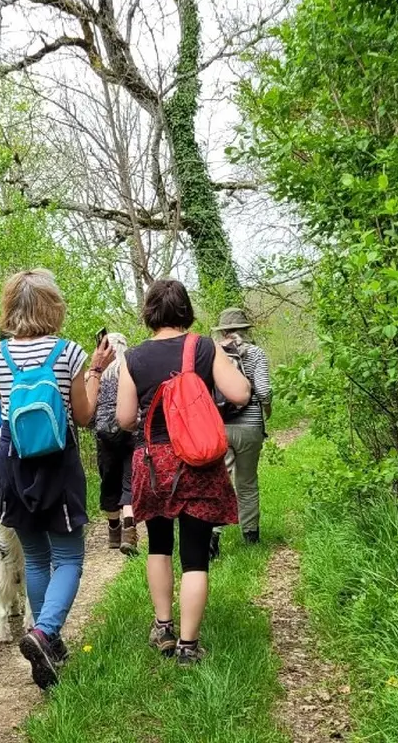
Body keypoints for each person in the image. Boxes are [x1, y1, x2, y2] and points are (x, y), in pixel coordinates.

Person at [0, 269, 115, 689]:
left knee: (39, 559)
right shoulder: (68, 352)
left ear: (10, 307)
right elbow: (83, 416)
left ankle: (49, 646)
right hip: (57, 463)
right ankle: (45, 633)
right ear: (52, 306)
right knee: (70, 558)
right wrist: (95, 373)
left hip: (12, 462)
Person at [115, 279, 251, 665]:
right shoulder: (204, 347)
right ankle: (189, 647)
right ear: (186, 310)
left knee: (159, 546)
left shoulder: (134, 358)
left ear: (150, 314)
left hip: (153, 464)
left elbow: (125, 419)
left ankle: (163, 626)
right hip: (197, 461)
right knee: (194, 556)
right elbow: (240, 393)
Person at [212, 308, 273, 554]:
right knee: (247, 482)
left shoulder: (212, 353)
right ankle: (250, 536)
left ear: (223, 330)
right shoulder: (256, 353)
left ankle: (212, 540)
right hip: (250, 427)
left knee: (219, 482)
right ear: (246, 330)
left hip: (219, 426)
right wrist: (266, 409)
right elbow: (264, 391)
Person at [93, 332, 138, 554]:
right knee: (129, 480)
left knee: (109, 481)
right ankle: (129, 532)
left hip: (104, 436)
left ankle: (113, 532)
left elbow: (89, 409)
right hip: (130, 431)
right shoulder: (130, 369)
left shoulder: (96, 374)